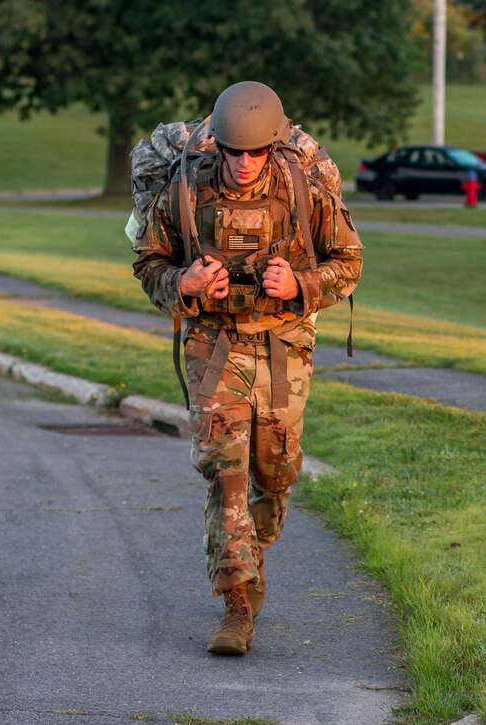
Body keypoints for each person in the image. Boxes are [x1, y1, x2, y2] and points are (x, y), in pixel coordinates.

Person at [131, 80, 362, 656]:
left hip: (283, 342)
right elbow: (149, 261)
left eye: (255, 152)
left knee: (275, 472)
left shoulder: (302, 186)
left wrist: (302, 284)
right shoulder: (186, 188)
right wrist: (180, 283)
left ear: (274, 145)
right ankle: (235, 605)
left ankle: (253, 551)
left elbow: (349, 261)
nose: (244, 163)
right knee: (225, 472)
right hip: (212, 343)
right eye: (234, 151)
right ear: (219, 145)